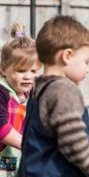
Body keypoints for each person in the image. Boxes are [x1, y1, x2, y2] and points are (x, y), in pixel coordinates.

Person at [17, 16, 89, 177]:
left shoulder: (38, 89)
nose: (88, 69)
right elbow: (73, 143)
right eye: (86, 61)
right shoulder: (63, 90)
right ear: (67, 56)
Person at [0, 23, 41, 176]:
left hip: (9, 157)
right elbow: (1, 128)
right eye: (21, 71)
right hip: (4, 154)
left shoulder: (29, 93)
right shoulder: (1, 92)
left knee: (10, 173)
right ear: (3, 69)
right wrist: (31, 146)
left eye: (34, 71)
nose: (28, 76)